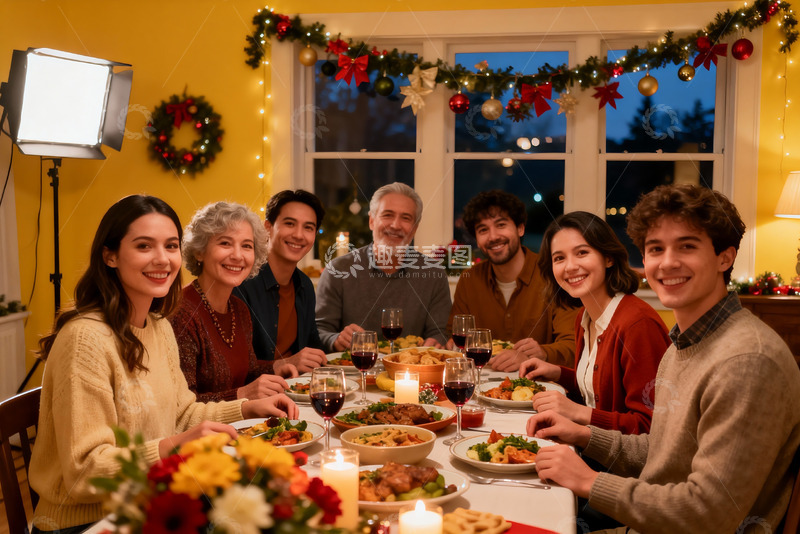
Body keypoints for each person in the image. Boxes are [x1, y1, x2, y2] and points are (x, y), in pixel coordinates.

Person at [526, 185, 800, 533]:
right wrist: (583, 435)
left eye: (687, 246)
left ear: (725, 258)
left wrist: (589, 481)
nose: (667, 262)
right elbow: (660, 450)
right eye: (656, 249)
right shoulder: (683, 344)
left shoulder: (746, 361)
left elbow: (708, 514)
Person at [29, 195, 298, 533]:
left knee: (276, 507)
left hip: (148, 502)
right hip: (87, 522)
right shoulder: (85, 340)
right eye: (144, 246)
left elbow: (182, 414)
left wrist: (246, 408)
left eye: (170, 246)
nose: (162, 259)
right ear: (110, 256)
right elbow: (84, 472)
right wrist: (174, 446)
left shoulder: (157, 327)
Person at [519, 211, 669, 434]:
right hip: (589, 446)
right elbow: (598, 393)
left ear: (608, 258)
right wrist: (558, 373)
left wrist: (578, 412)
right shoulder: (585, 317)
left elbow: (651, 427)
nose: (570, 267)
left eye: (582, 252)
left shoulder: (638, 324)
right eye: (559, 258)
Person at [170, 201, 298, 403]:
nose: (238, 256)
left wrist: (276, 367)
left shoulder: (238, 308)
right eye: (225, 243)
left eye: (246, 246)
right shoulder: (180, 313)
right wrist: (242, 395)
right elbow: (181, 406)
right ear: (199, 251)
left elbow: (247, 370)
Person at [447, 190, 578, 370]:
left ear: (520, 228)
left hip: (540, 383)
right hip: (481, 381)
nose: (493, 236)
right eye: (483, 230)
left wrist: (541, 352)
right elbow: (453, 336)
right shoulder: (469, 281)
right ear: (477, 239)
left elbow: (574, 344)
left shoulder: (552, 274)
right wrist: (451, 345)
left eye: (501, 225)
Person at [316, 182, 451, 352]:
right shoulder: (338, 270)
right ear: (372, 221)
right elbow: (319, 331)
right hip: (353, 367)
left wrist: (436, 341)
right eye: (387, 215)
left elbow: (440, 331)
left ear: (414, 228)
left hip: (410, 367)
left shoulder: (434, 274)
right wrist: (335, 339)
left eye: (406, 218)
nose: (395, 225)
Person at [235, 190, 328, 373]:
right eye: (289, 224)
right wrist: (284, 364)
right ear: (267, 228)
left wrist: (339, 341)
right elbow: (233, 366)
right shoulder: (242, 282)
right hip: (257, 389)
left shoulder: (305, 285)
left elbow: (313, 345)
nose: (299, 235)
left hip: (299, 385)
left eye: (308, 227)